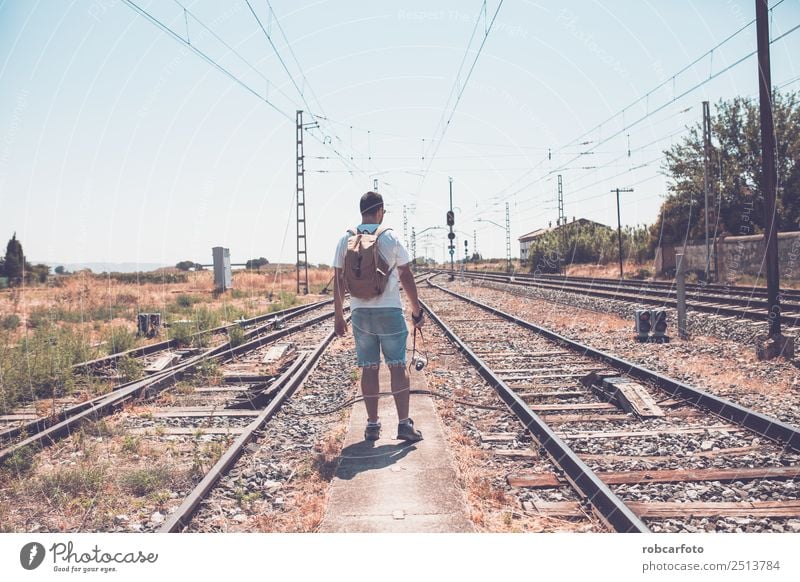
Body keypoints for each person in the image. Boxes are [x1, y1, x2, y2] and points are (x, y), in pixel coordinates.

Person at [333, 191, 425, 442]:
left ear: (361, 210)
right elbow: (405, 275)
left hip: (361, 313)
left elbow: (339, 279)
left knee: (369, 368)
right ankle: (404, 425)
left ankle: (373, 424)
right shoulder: (390, 237)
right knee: (397, 366)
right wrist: (416, 310)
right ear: (380, 210)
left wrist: (339, 315)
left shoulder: (346, 239)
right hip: (389, 311)